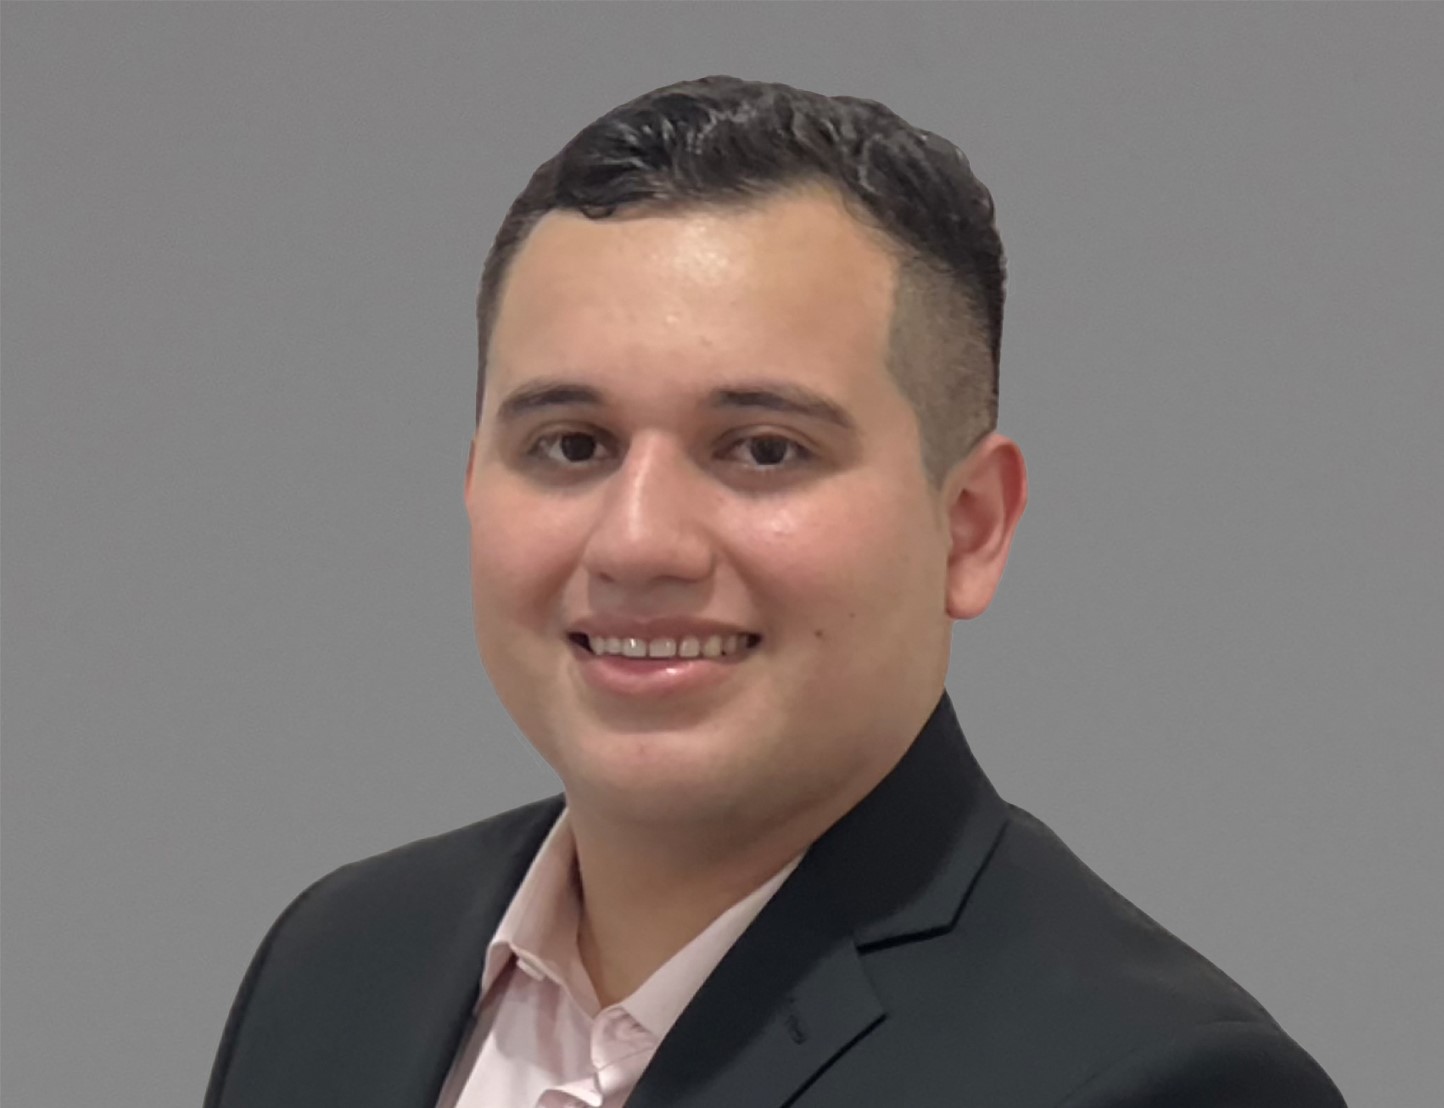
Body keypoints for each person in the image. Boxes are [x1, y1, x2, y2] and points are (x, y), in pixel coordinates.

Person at [204, 76, 1345, 1108]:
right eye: (570, 444)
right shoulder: (337, 963)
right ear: (469, 483)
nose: (639, 541)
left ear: (969, 527)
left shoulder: (1155, 1080)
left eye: (760, 450)